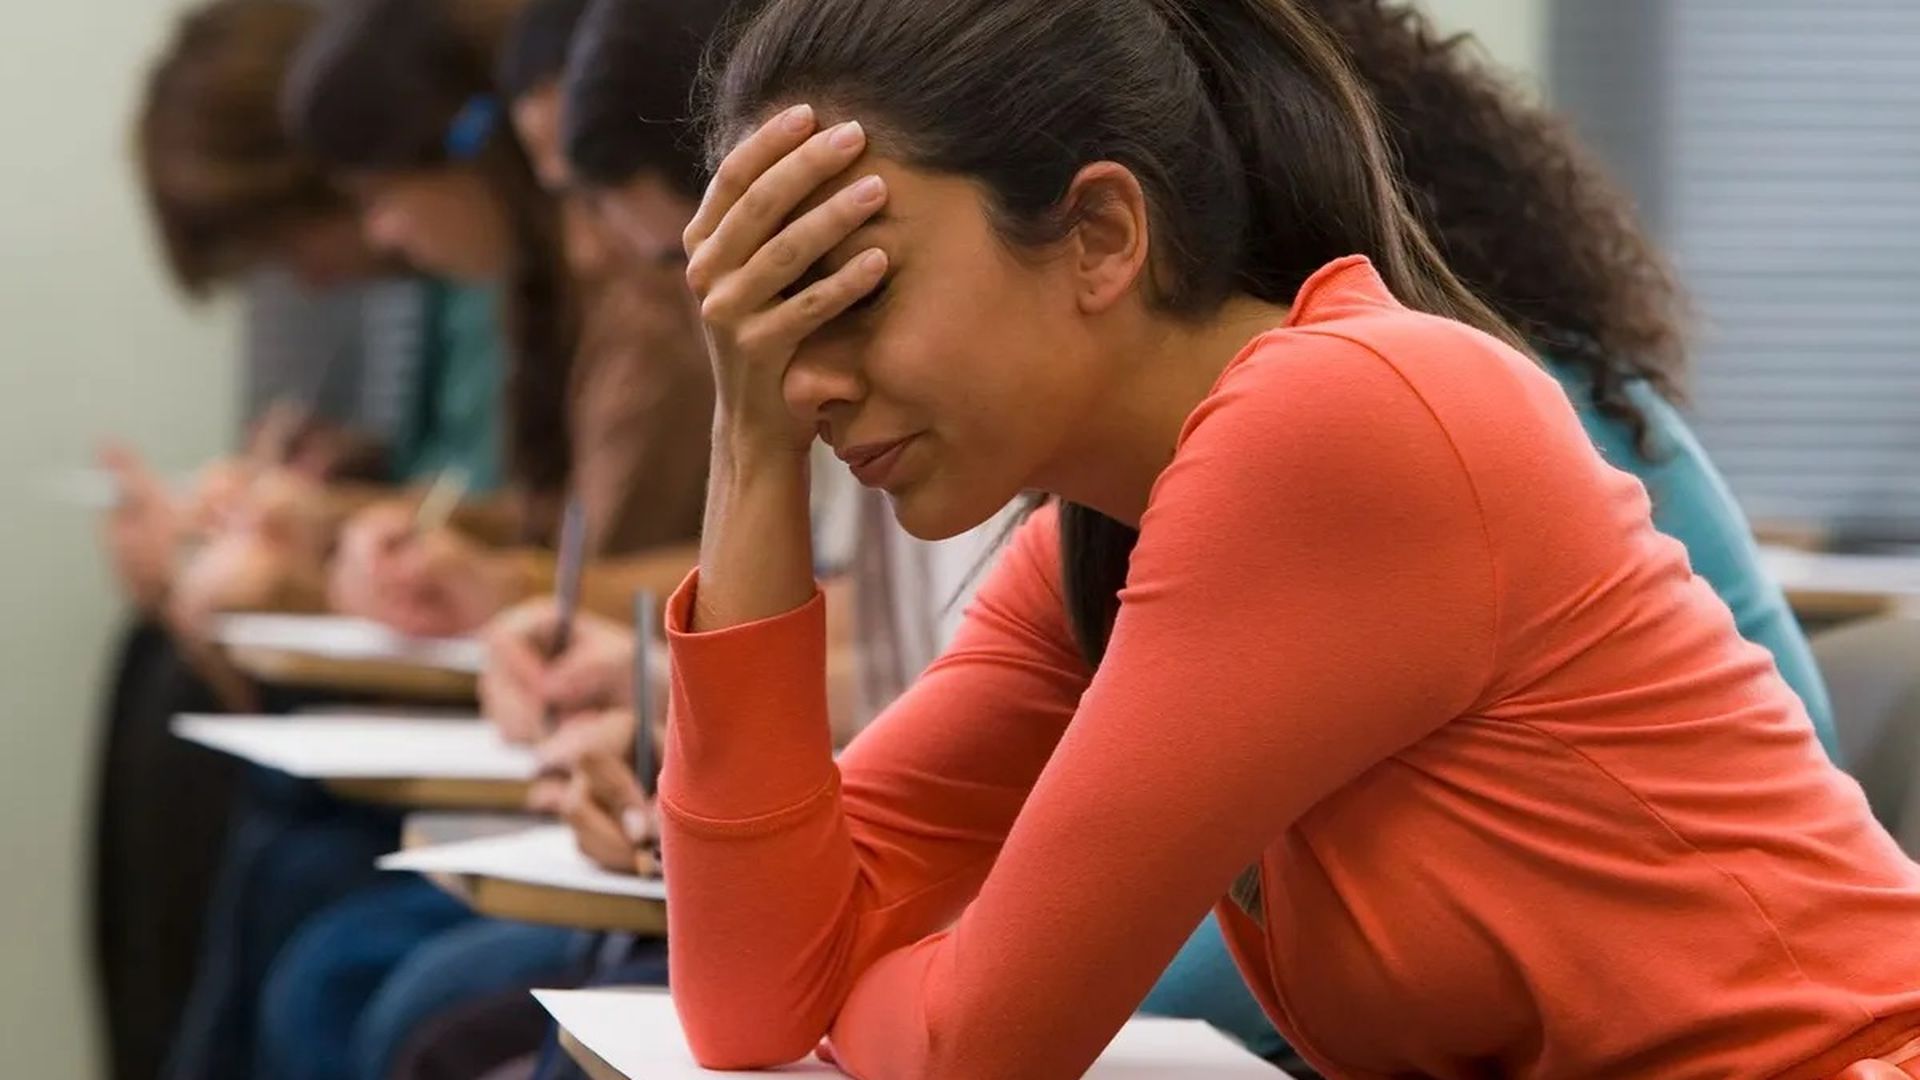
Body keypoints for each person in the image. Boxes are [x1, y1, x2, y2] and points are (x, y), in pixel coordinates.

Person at [657, 1, 1920, 1077]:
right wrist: (746, 445)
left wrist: (850, 995)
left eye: (854, 294)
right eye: (767, 330)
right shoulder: (1101, 547)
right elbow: (752, 999)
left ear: (1099, 234)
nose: (802, 382)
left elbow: (970, 1049)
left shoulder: (1334, 420)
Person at [1134, 0, 1843, 1063]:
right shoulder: (1488, 380)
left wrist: (1000, 946)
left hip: (1732, 970)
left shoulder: (1415, 428)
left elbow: (1150, 975)